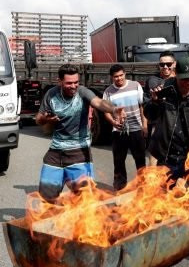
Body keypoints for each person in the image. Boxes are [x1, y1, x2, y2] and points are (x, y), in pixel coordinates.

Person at [35, 64, 125, 201]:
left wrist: (113, 109)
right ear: (59, 82)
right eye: (69, 83)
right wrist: (46, 119)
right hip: (55, 151)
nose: (73, 86)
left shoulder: (82, 92)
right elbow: (38, 119)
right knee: (47, 196)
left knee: (84, 199)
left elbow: (99, 102)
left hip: (78, 152)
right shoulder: (51, 94)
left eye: (76, 82)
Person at [102, 64, 146, 191]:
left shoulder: (135, 86)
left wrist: (144, 125)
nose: (119, 78)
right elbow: (105, 111)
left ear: (125, 74)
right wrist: (113, 122)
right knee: (119, 160)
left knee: (140, 159)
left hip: (136, 129)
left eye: (121, 75)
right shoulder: (108, 92)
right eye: (116, 77)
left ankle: (142, 185)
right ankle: (120, 186)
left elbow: (142, 106)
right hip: (118, 132)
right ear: (112, 77)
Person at [145, 51, 177, 166]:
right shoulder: (152, 81)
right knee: (154, 157)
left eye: (168, 64)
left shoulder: (181, 80)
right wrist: (144, 125)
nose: (165, 67)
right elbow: (146, 104)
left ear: (174, 64)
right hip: (158, 123)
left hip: (177, 125)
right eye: (162, 64)